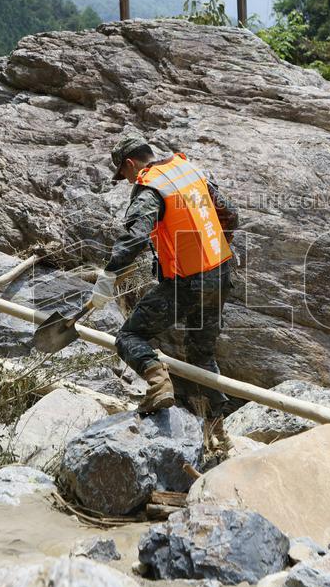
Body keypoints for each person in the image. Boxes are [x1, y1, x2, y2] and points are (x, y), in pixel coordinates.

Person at [91, 135, 238, 417]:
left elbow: (135, 237)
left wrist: (109, 276)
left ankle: (159, 387)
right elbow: (230, 215)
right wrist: (213, 246)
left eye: (125, 175)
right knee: (202, 356)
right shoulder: (191, 171)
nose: (129, 181)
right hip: (220, 274)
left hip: (187, 283)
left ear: (130, 164)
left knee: (129, 336)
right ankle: (219, 429)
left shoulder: (150, 187)